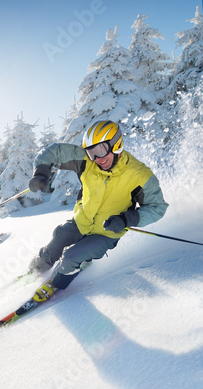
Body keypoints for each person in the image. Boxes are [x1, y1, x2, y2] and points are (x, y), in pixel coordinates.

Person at [27, 120, 168, 302]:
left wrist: (127, 219)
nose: (98, 158)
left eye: (101, 150)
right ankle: (37, 268)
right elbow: (55, 151)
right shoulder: (87, 162)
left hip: (107, 233)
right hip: (81, 222)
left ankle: (55, 284)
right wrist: (41, 172)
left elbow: (158, 208)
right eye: (91, 152)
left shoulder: (140, 175)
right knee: (58, 238)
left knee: (71, 257)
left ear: (116, 143)